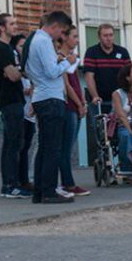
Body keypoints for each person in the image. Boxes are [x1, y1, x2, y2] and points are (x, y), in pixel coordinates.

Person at [25, 11, 77, 204]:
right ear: (54, 26)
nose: (61, 36)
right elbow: (52, 71)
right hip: (51, 98)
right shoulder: (44, 41)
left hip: (41, 96)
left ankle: (40, 191)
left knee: (45, 148)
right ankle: (48, 191)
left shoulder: (33, 39)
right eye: (62, 31)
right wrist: (66, 62)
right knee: (53, 148)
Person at [0, 13, 31, 199]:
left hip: (17, 100)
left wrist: (18, 72)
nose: (16, 26)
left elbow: (16, 73)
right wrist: (18, 73)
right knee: (12, 143)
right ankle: (9, 185)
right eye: (12, 24)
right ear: (2, 27)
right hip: (9, 102)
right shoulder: (0, 49)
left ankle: (13, 183)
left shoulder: (10, 49)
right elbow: (13, 75)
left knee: (16, 142)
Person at [57, 25, 91, 197]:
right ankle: (67, 183)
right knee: (66, 147)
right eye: (75, 36)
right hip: (68, 107)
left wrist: (83, 100)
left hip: (76, 105)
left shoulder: (72, 58)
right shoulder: (61, 57)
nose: (77, 40)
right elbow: (66, 86)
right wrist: (79, 103)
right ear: (65, 37)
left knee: (68, 146)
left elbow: (76, 82)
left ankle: (68, 182)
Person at [83, 24, 131, 117]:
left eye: (111, 35)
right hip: (99, 100)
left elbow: (129, 74)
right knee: (99, 128)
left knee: (120, 127)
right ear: (99, 37)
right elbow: (89, 77)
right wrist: (95, 96)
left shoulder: (122, 52)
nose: (108, 38)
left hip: (119, 99)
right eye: (105, 36)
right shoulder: (92, 52)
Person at [12, 34, 35, 191]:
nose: (23, 49)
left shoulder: (29, 63)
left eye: (25, 46)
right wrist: (27, 90)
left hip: (31, 113)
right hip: (20, 111)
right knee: (18, 147)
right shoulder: (14, 64)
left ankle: (25, 180)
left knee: (26, 147)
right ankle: (16, 181)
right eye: (21, 46)